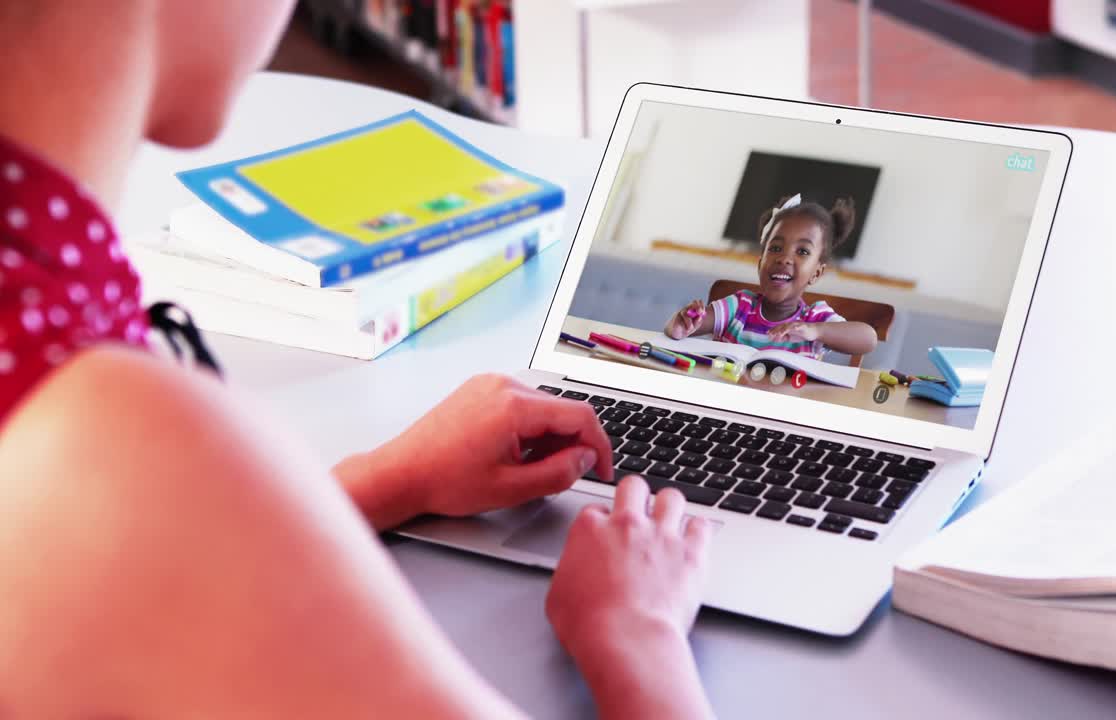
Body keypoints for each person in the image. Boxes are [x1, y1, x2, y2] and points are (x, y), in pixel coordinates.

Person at [0, 2, 715, 718]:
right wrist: (640, 637)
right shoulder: (122, 440)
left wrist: (386, 480)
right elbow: (145, 529)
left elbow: (144, 582)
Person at [664, 194, 879, 360]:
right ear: (760, 263)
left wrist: (816, 331)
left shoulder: (814, 319)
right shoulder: (738, 307)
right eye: (775, 248)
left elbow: (868, 339)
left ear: (816, 273)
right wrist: (680, 325)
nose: (784, 258)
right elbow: (684, 328)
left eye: (802, 251)